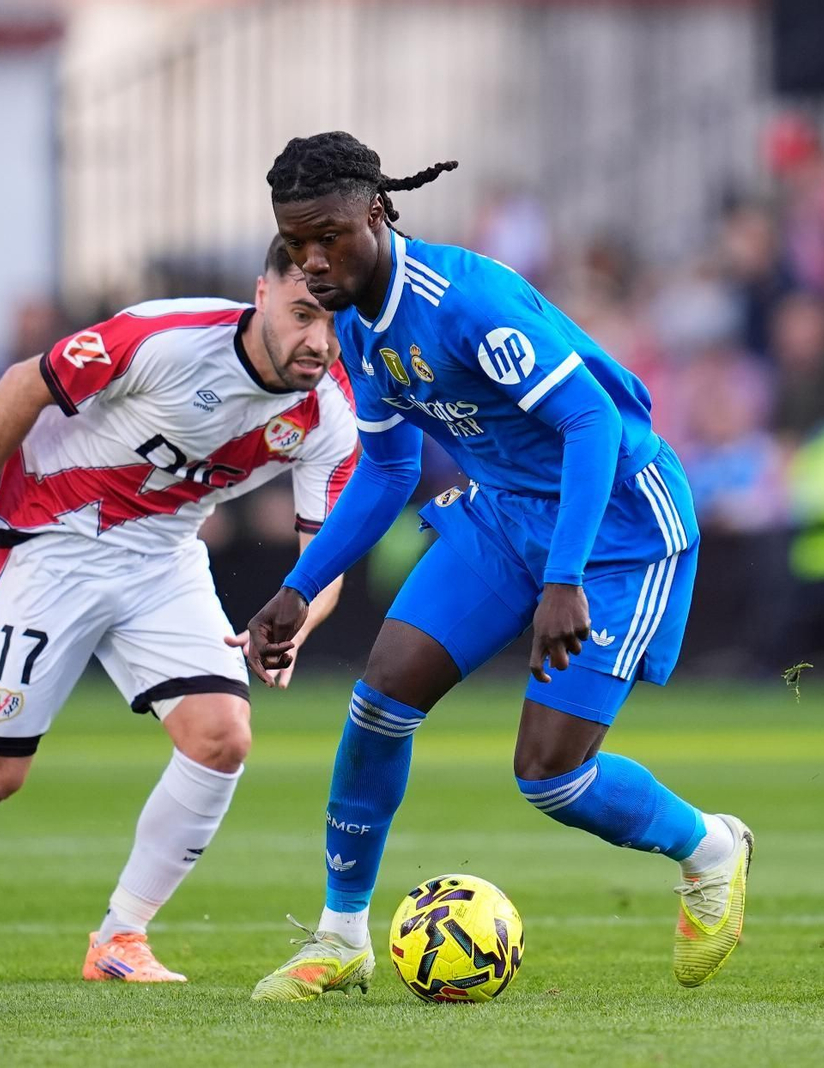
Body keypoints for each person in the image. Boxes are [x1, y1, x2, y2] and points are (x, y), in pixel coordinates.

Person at [242, 132, 753, 1001]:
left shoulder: (465, 299)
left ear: (377, 210)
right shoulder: (360, 330)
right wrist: (299, 586)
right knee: (382, 693)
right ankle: (339, 938)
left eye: (329, 236)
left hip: (622, 526)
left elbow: (590, 423)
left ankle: (710, 848)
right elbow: (391, 471)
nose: (315, 262)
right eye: (297, 246)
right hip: (504, 515)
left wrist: (566, 579)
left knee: (551, 776)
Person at [0, 241, 358, 984]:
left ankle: (121, 936)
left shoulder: (330, 409)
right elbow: (25, 383)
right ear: (261, 294)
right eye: (303, 313)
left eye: (336, 320)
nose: (320, 340)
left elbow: (325, 551)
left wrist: (300, 616)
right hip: (50, 543)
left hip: (162, 560)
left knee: (222, 737)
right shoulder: (167, 338)